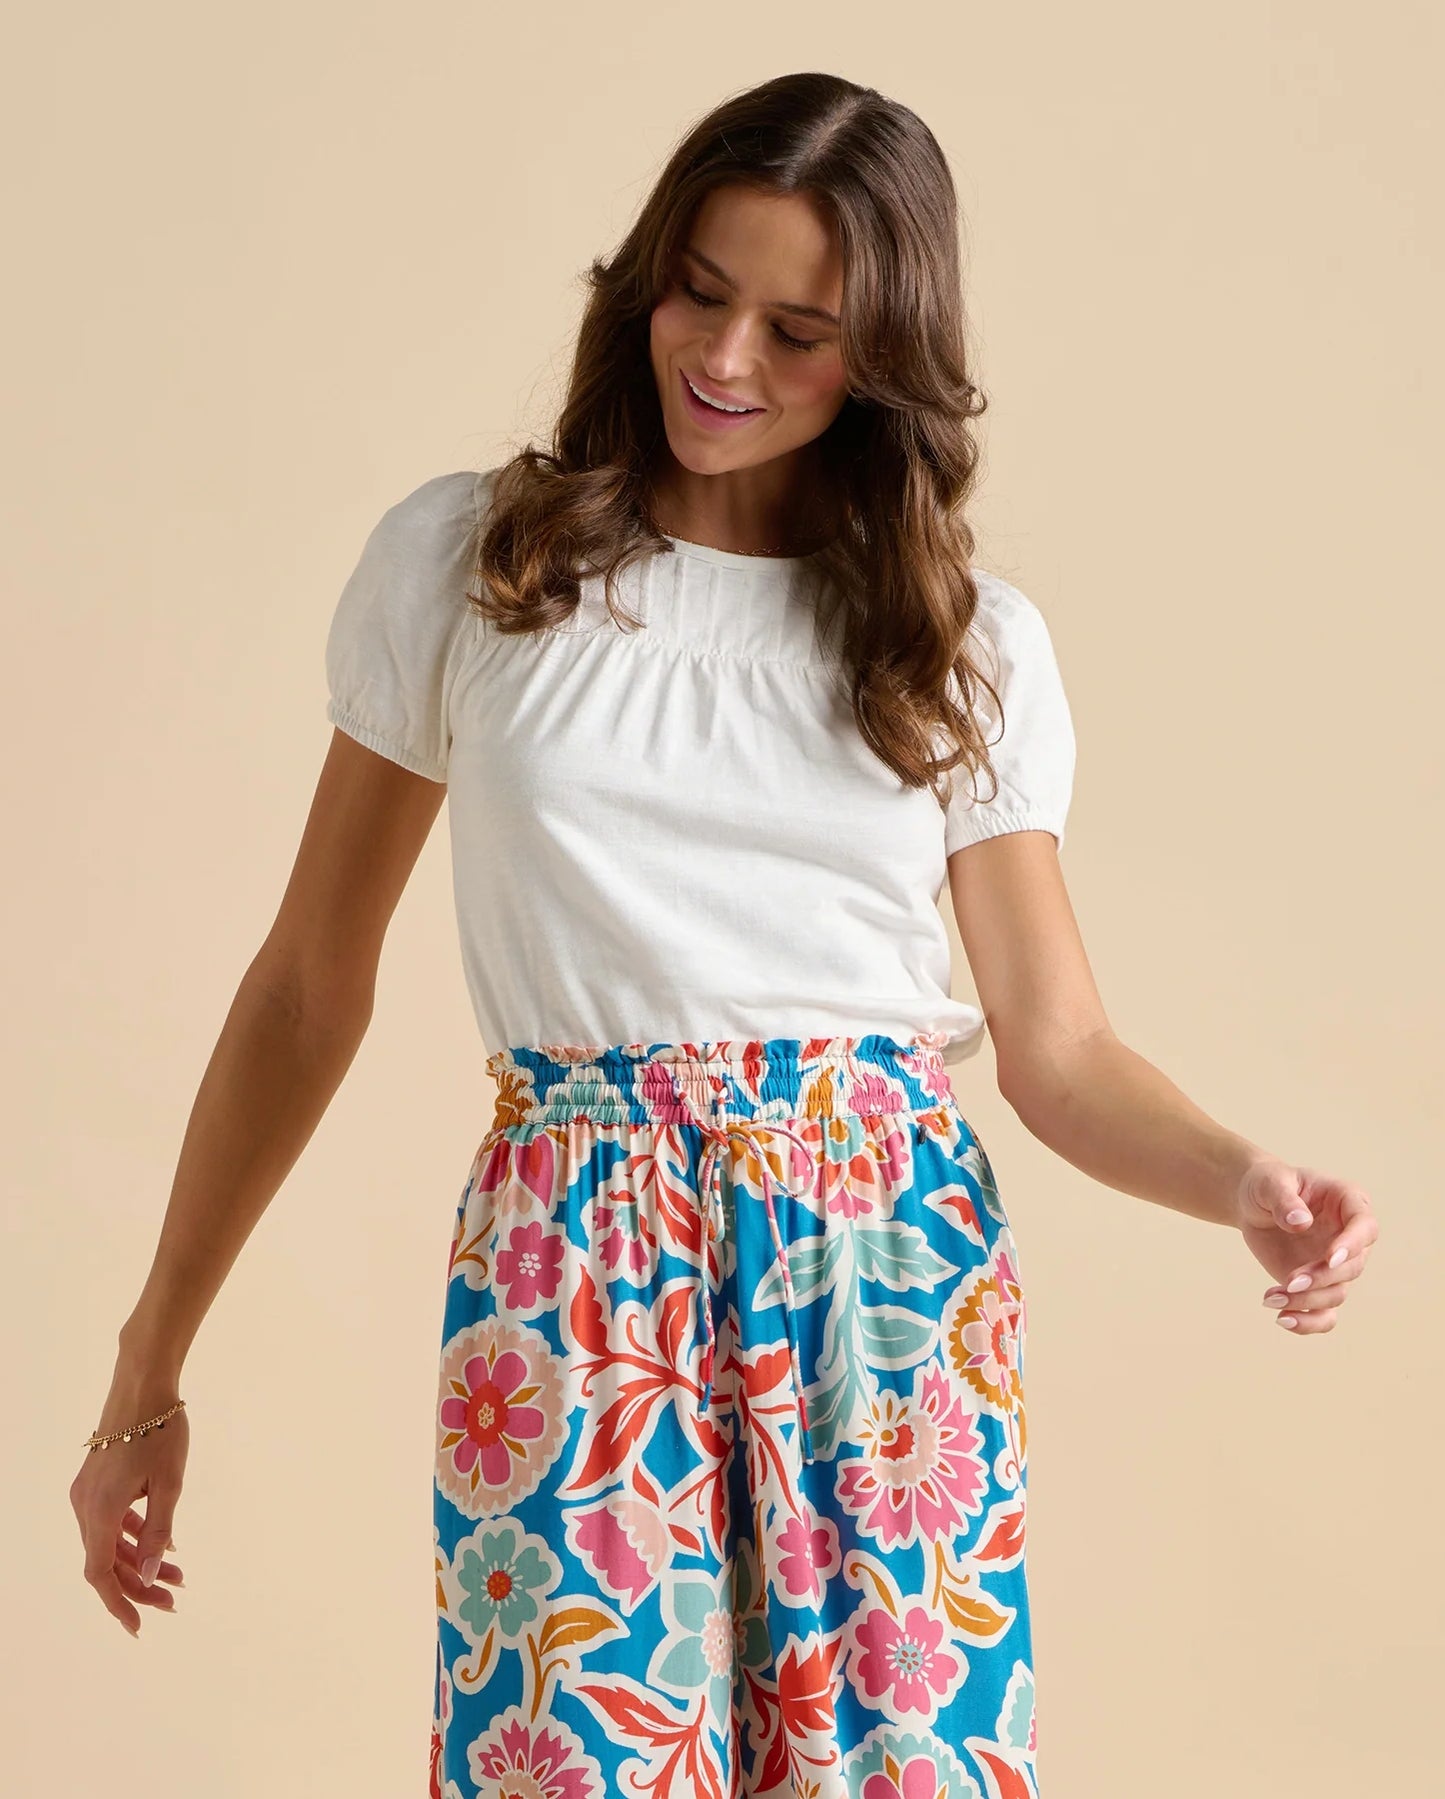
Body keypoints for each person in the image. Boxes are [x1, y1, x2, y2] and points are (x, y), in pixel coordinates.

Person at [71, 70, 1379, 1799]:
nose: (726, 359)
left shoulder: (962, 642)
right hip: (574, 1258)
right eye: (699, 287)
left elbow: (1054, 1050)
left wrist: (1240, 1183)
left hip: (886, 1275)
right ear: (642, 277)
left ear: (885, 357)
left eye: (801, 329)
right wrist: (148, 1369)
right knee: (568, 1758)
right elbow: (308, 985)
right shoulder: (472, 568)